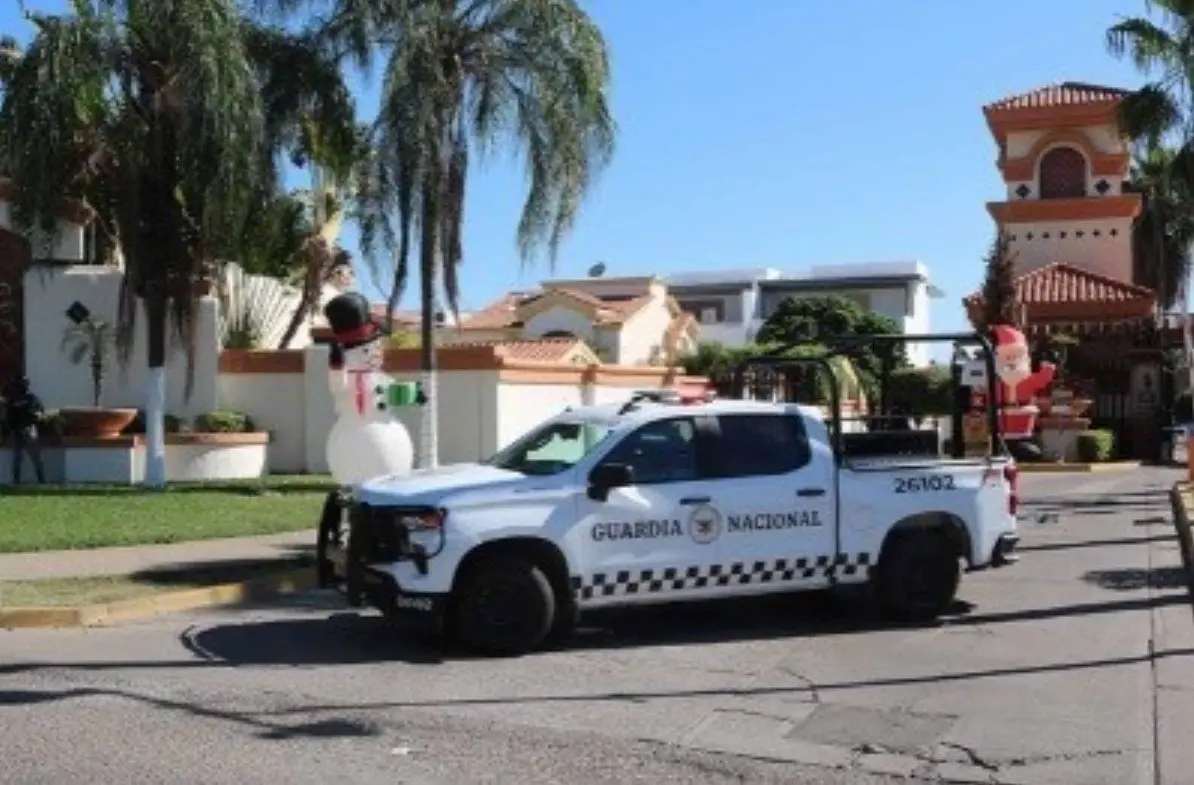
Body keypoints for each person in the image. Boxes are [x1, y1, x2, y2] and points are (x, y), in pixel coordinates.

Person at [3, 377, 46, 484]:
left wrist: (36, 416)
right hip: (17, 431)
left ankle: (41, 480)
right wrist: (13, 428)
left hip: (29, 429)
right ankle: (16, 480)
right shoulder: (12, 399)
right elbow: (8, 416)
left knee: (35, 457)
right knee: (17, 458)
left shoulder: (31, 398)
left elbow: (40, 410)